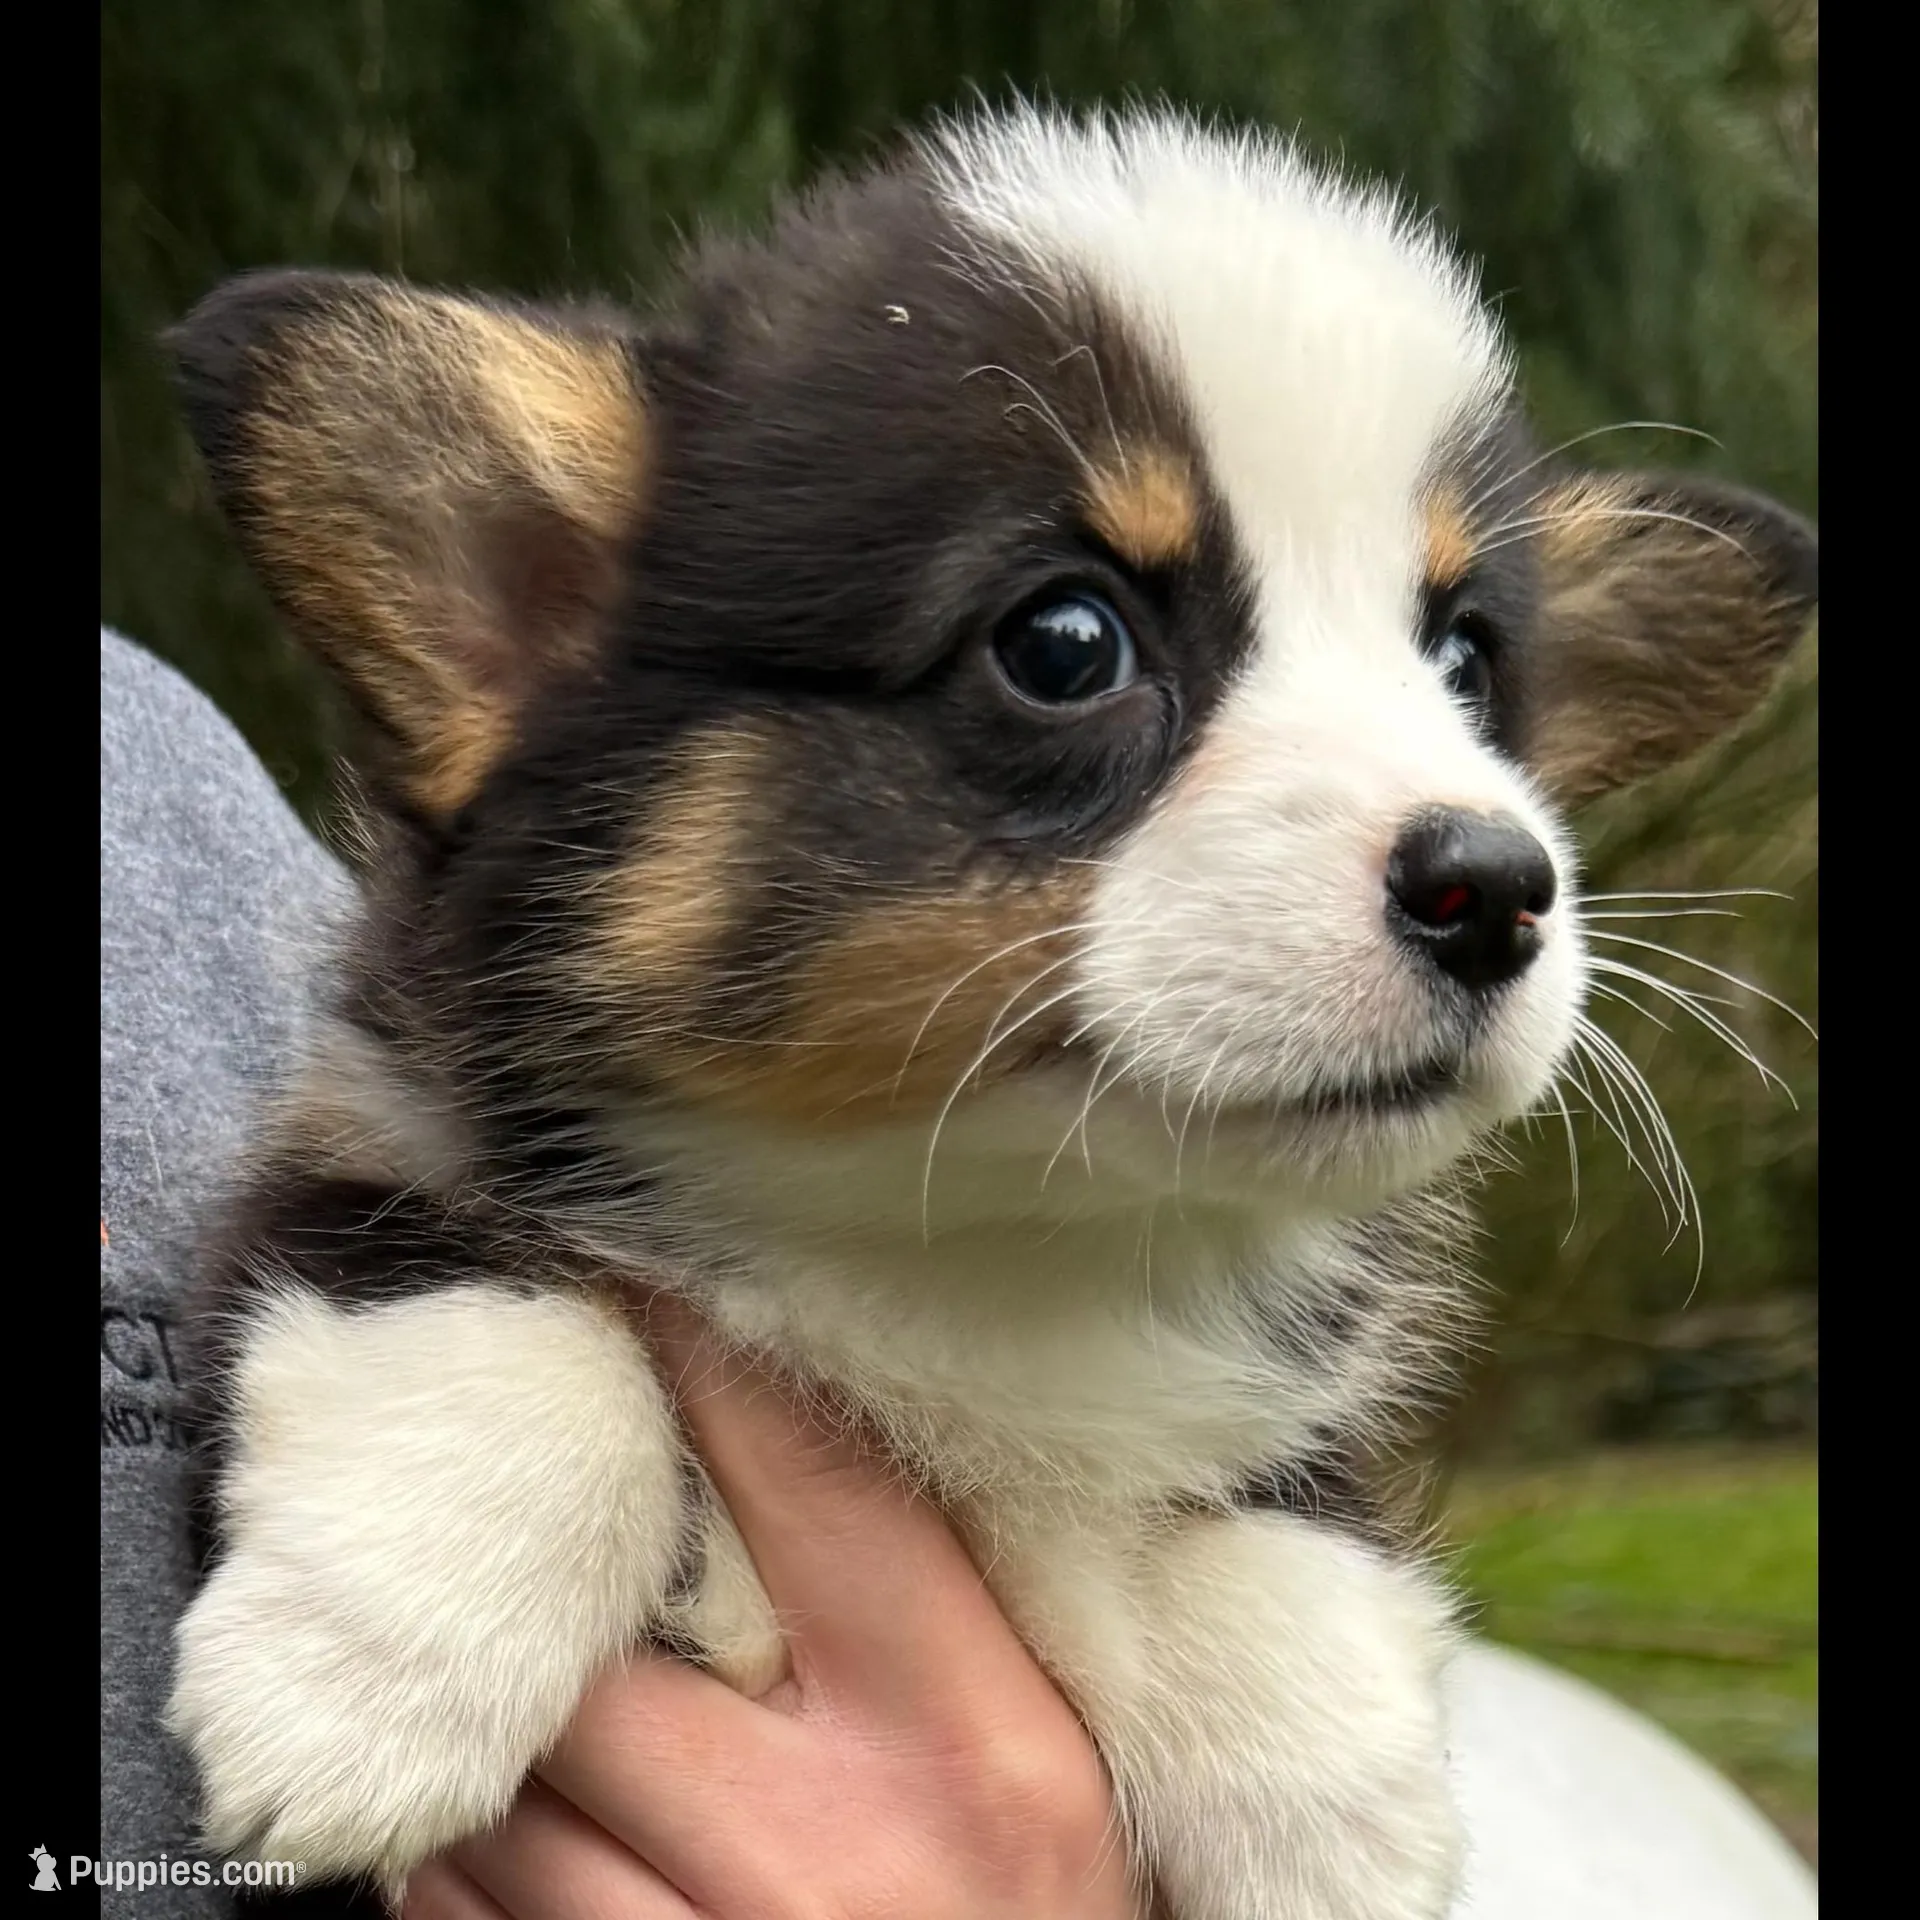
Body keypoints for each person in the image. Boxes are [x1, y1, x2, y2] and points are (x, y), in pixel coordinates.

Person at [101, 627, 1816, 1920]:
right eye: (1071, 651)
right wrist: (513, 1431)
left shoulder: (165, 825)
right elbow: (375, 1213)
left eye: (1454, 658)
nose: (1467, 827)